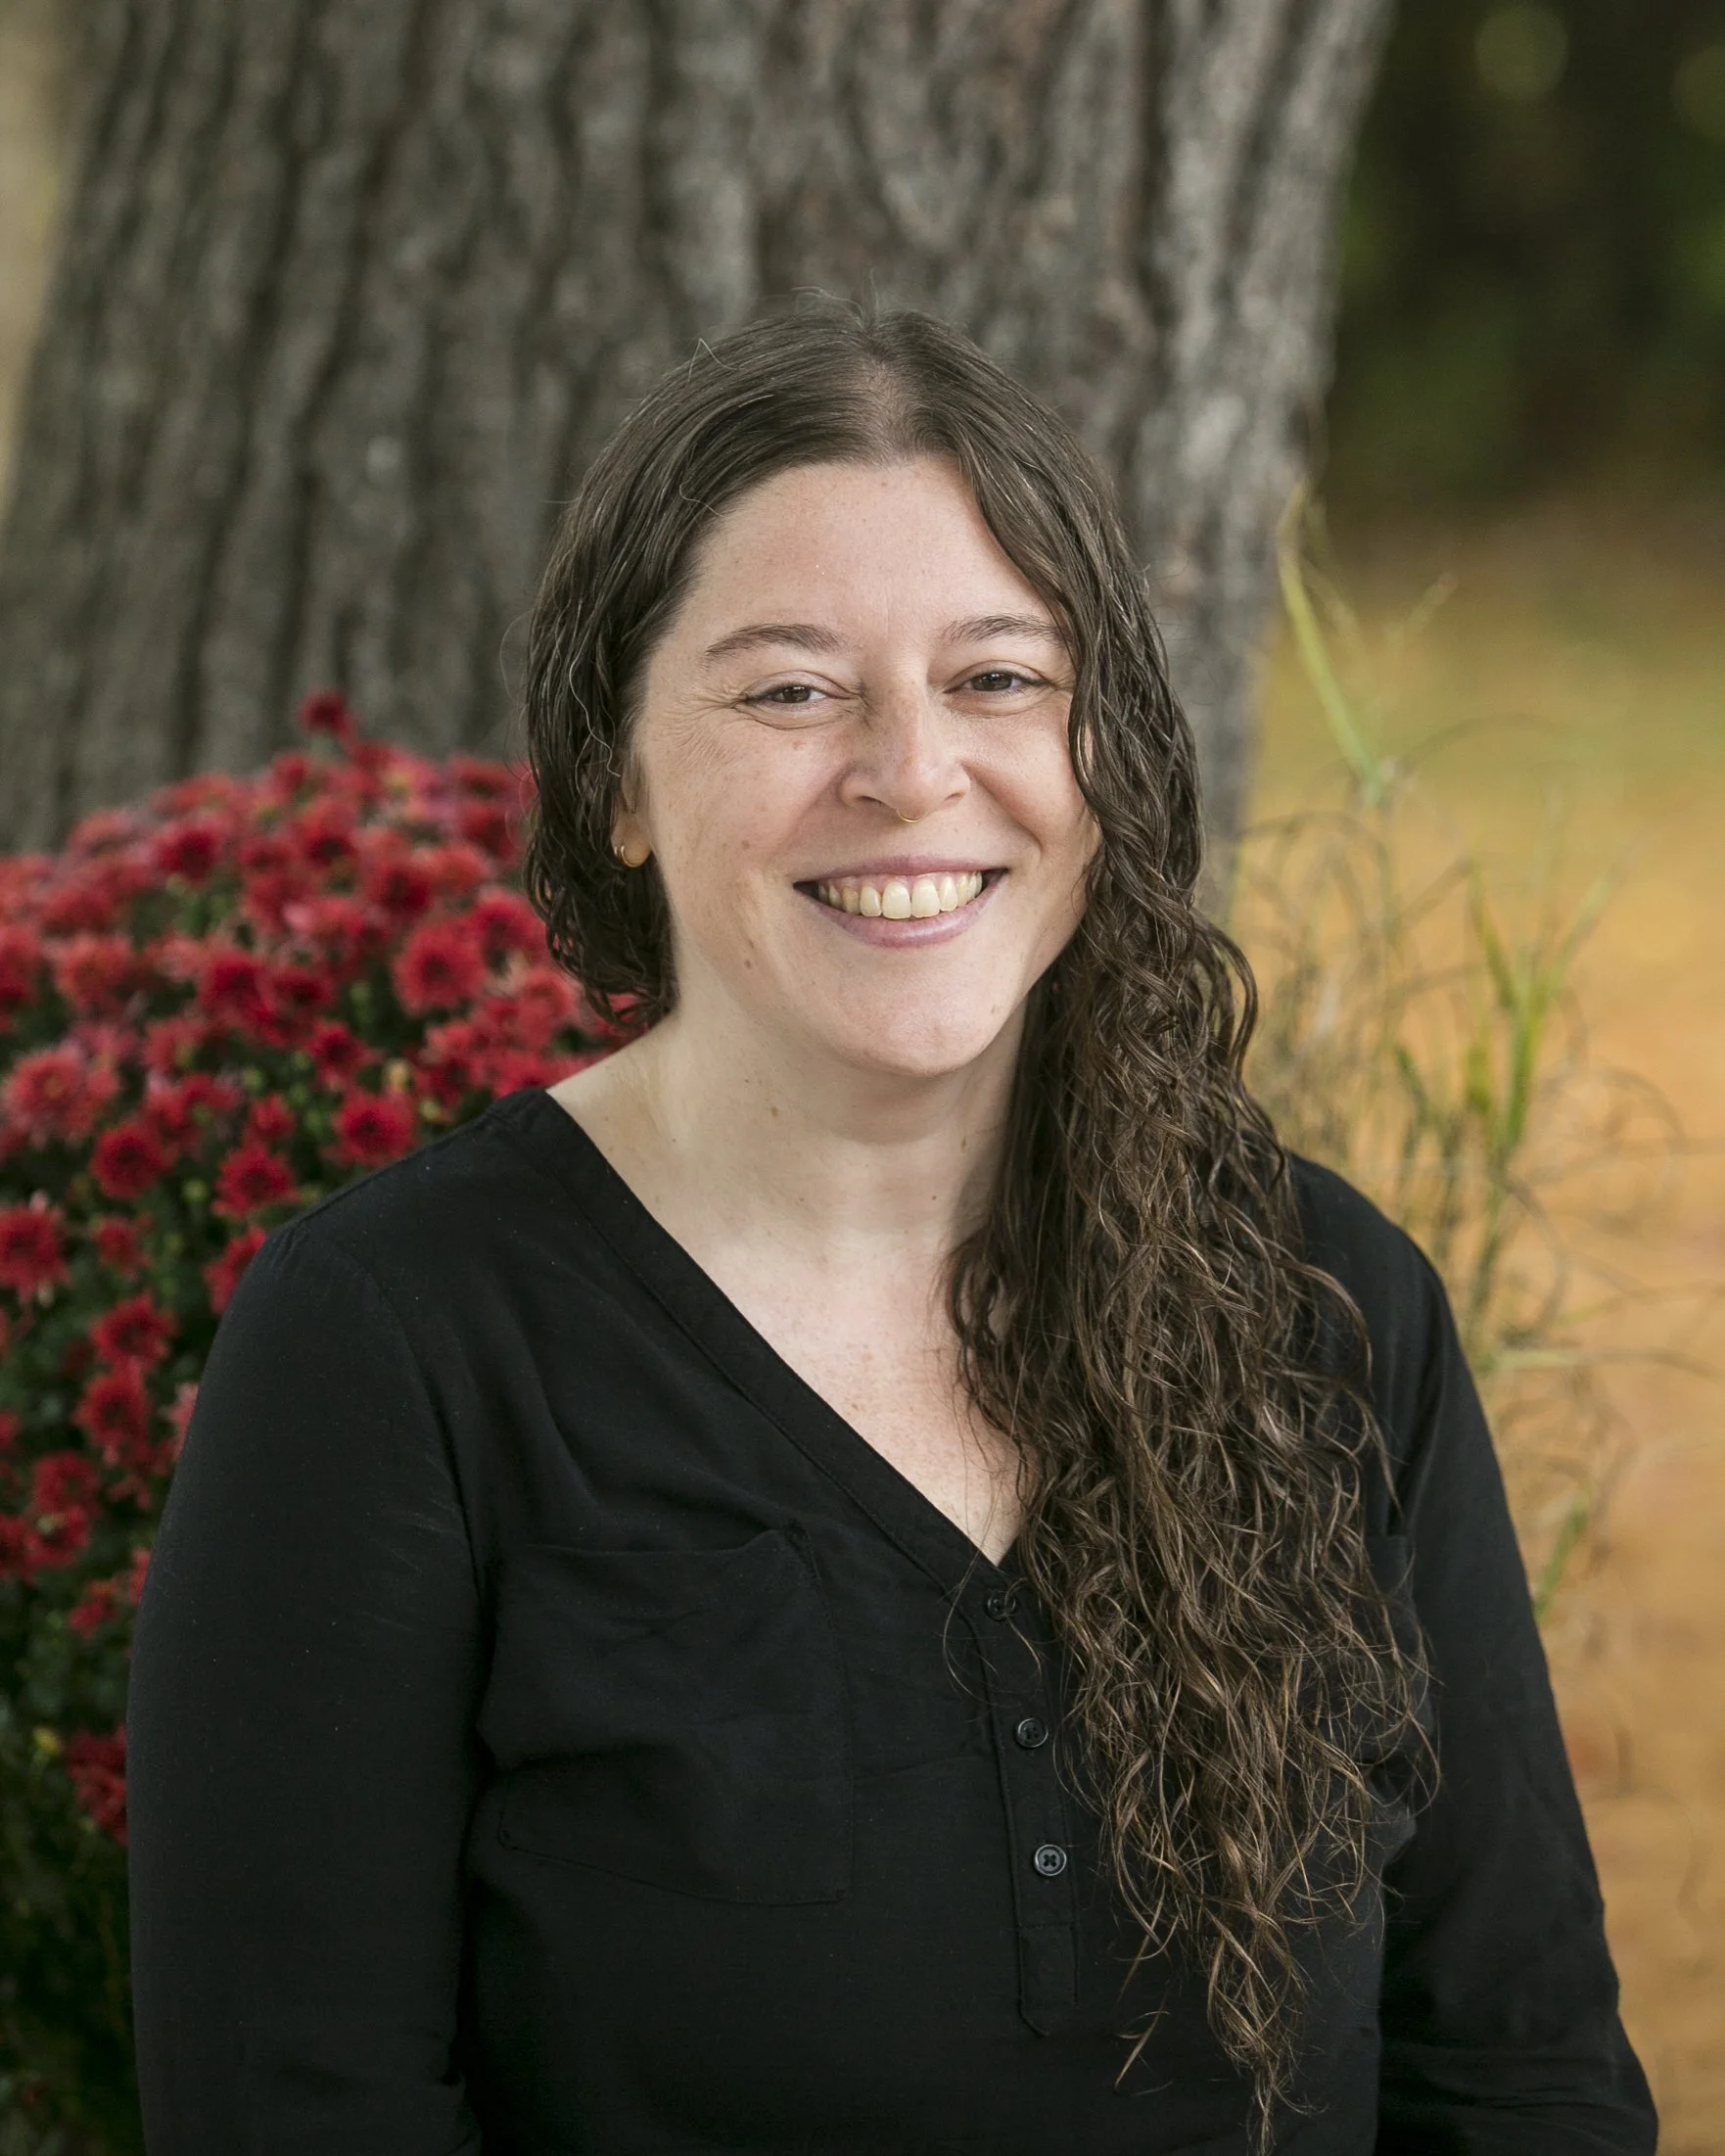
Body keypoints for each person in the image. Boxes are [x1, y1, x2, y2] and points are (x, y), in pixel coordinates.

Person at [126, 303, 1655, 2155]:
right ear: (611, 776)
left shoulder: (1323, 1311)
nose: (910, 771)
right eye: (790, 689)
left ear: (1105, 755)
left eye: (998, 678)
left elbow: (1522, 2078)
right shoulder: (396, 1349)